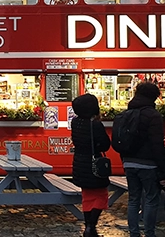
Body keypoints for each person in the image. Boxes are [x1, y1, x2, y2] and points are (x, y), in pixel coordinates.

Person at [120, 82, 165, 237]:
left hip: (129, 162)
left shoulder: (127, 113)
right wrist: (163, 172)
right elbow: (157, 146)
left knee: (133, 199)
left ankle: (133, 233)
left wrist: (124, 161)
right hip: (148, 164)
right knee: (150, 199)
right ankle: (149, 233)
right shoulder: (153, 115)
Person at [70, 94, 110, 237]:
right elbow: (105, 144)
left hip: (80, 163)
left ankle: (88, 226)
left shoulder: (75, 122)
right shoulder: (95, 124)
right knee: (101, 196)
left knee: (87, 196)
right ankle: (91, 227)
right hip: (94, 164)